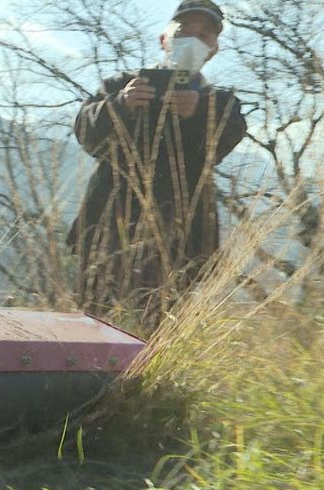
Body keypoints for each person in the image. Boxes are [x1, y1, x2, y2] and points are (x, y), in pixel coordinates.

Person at [69, 0, 247, 325]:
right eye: (184, 30)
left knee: (163, 330)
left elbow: (230, 134)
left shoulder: (219, 103)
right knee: (96, 326)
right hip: (108, 231)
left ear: (214, 49)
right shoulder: (121, 85)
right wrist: (120, 105)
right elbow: (85, 131)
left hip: (184, 239)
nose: (194, 39)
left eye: (205, 34)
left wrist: (199, 111)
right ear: (164, 39)